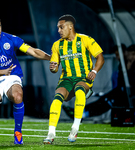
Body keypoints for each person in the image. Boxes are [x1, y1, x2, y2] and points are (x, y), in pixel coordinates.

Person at [0, 12, 50, 145]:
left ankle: (18, 132)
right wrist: (3, 71)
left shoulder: (10, 39)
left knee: (18, 96)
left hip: (11, 76)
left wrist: (50, 58)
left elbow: (32, 51)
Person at [43, 14, 104, 144]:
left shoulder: (85, 39)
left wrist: (94, 71)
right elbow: (54, 68)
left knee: (80, 89)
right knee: (58, 97)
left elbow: (100, 57)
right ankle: (51, 132)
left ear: (71, 27)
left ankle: (75, 128)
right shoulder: (57, 45)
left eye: (61, 27)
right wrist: (53, 68)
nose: (58, 31)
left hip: (84, 77)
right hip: (66, 79)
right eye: (58, 28)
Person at [63, 44, 135, 120]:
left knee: (107, 101)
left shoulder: (129, 66)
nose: (118, 57)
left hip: (128, 93)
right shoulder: (123, 65)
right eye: (116, 55)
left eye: (119, 54)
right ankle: (80, 112)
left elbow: (130, 82)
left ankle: (82, 114)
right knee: (104, 99)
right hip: (122, 91)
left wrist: (129, 69)